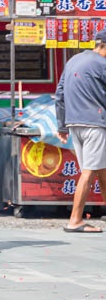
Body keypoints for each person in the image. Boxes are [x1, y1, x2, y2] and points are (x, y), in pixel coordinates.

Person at [56, 28, 106, 233]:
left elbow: (59, 94)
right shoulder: (103, 64)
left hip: (74, 124)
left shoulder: (73, 61)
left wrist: (61, 124)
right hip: (95, 124)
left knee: (101, 169)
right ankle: (75, 220)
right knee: (89, 172)